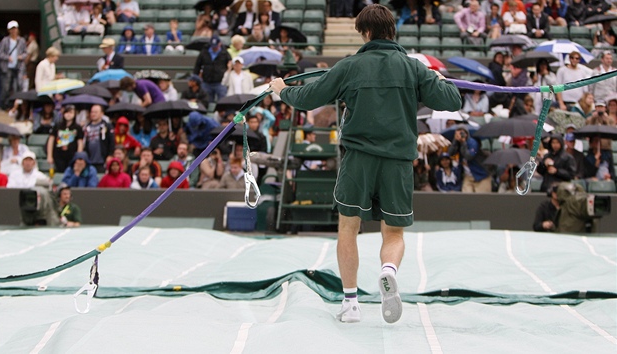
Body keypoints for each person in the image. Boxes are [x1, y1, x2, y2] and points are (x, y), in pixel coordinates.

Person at [268, 4, 462, 324]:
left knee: (348, 228)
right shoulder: (414, 68)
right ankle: (388, 271)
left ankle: (350, 304)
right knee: (394, 233)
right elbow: (452, 101)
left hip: (359, 158)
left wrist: (282, 90)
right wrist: (440, 81)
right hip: (398, 161)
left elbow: (309, 98)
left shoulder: (350, 66)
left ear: (366, 33)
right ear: (392, 30)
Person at [447, 125, 492, 193]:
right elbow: (450, 153)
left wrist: (463, 142)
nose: (460, 135)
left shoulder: (473, 143)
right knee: (466, 199)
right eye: (458, 133)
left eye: (461, 133)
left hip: (481, 174)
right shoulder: (458, 143)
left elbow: (468, 156)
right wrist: (455, 141)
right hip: (468, 176)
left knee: (482, 200)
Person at [193, 35, 231, 104]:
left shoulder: (225, 53)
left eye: (216, 46)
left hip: (220, 82)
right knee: (206, 102)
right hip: (207, 82)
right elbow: (197, 66)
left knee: (222, 102)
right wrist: (196, 78)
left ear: (219, 44)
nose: (214, 48)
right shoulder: (204, 52)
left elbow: (229, 64)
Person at [0, 21, 27, 109]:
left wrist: (21, 56)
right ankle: (4, 104)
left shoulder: (21, 40)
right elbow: (0, 53)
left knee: (17, 86)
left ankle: (16, 105)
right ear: (9, 30)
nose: (14, 31)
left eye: (15, 29)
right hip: (7, 67)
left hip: (18, 67)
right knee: (6, 87)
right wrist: (8, 58)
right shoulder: (5, 40)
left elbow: (26, 53)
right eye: (12, 29)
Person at [47, 105, 84, 173]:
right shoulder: (57, 126)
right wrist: (49, 155)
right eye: (67, 112)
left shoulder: (77, 127)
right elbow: (51, 140)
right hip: (58, 155)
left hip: (72, 155)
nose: (68, 115)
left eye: (71, 113)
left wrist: (79, 157)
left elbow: (80, 143)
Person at [84, 104, 115, 172]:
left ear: (101, 114)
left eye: (96, 112)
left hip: (102, 160)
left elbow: (112, 142)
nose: (93, 114)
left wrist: (110, 155)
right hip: (89, 160)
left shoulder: (107, 126)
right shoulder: (87, 126)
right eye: (92, 112)